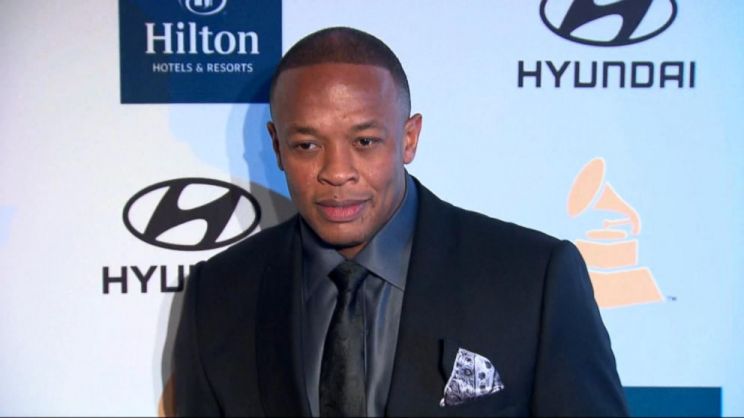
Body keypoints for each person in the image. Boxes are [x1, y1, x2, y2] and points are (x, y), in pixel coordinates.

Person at [173, 27, 628, 417]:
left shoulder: (533, 278)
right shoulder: (219, 294)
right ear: (277, 146)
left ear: (409, 139)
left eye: (365, 141)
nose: (337, 172)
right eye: (307, 146)